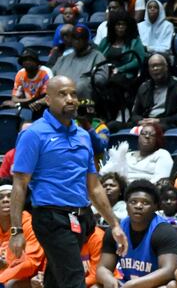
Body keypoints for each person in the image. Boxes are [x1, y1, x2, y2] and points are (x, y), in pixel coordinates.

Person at [10, 76, 129, 287]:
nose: (70, 99)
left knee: (57, 279)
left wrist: (115, 224)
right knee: (74, 280)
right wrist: (16, 231)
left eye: (73, 94)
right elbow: (19, 184)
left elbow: (94, 187)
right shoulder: (34, 134)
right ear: (48, 99)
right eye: (62, 94)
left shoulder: (83, 136)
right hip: (50, 218)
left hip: (82, 219)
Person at [96, 179, 177, 287]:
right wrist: (108, 278)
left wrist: (135, 284)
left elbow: (169, 271)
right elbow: (102, 268)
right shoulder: (116, 231)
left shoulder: (164, 231)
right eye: (133, 202)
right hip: (126, 284)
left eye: (145, 203)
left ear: (155, 207)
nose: (138, 206)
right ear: (126, 205)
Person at [0, 178, 46, 286]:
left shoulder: (29, 223)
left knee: (11, 284)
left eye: (10, 196)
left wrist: (2, 275)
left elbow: (31, 263)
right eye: (0, 197)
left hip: (29, 278)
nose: (5, 200)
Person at [128, 53, 177, 131]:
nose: (155, 68)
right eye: (152, 66)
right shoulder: (144, 87)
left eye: (158, 65)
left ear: (166, 67)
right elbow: (135, 114)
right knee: (113, 125)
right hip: (145, 122)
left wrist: (159, 121)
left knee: (152, 129)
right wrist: (142, 121)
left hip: (166, 124)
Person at [101, 122, 174, 183]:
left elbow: (161, 180)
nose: (147, 136)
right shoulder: (127, 155)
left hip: (147, 192)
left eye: (152, 135)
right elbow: (104, 172)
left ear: (157, 139)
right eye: (143, 133)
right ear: (138, 137)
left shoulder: (162, 154)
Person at [5, 49, 50, 118]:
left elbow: (48, 96)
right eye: (24, 60)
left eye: (30, 59)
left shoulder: (45, 72)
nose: (27, 62)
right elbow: (14, 99)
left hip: (45, 106)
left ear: (36, 62)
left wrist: (21, 103)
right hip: (30, 105)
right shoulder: (20, 74)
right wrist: (31, 101)